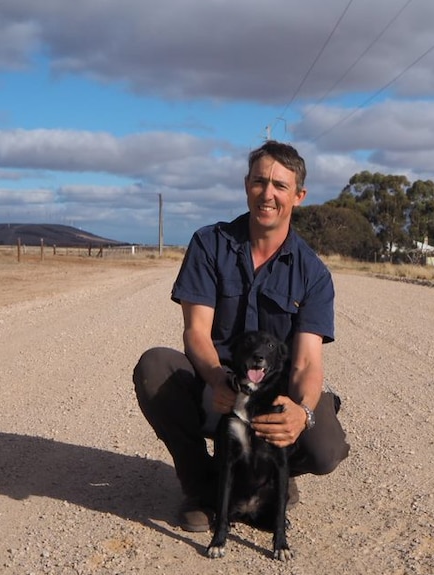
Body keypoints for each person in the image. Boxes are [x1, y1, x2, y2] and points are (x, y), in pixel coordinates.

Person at [133, 140, 350, 532]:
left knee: (325, 447)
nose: (268, 194)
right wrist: (217, 379)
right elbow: (196, 331)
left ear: (298, 196)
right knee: (154, 367)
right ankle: (204, 488)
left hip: (270, 394)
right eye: (259, 181)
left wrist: (302, 414)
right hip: (218, 384)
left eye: (280, 186)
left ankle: (272, 477)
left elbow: (306, 362)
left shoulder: (313, 273)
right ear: (246, 185)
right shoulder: (209, 244)